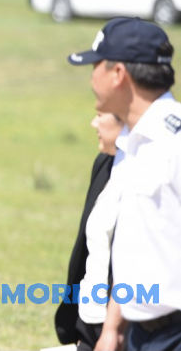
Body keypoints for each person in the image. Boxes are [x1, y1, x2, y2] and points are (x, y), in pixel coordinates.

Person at [67, 17, 181, 351]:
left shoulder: (173, 144)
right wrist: (113, 328)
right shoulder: (132, 141)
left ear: (118, 74)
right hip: (137, 331)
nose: (91, 77)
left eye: (95, 65)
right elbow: (135, 246)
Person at [54, 112, 124, 351]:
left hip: (125, 327)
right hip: (89, 322)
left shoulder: (153, 171)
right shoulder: (106, 162)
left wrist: (113, 330)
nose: (93, 122)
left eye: (101, 114)